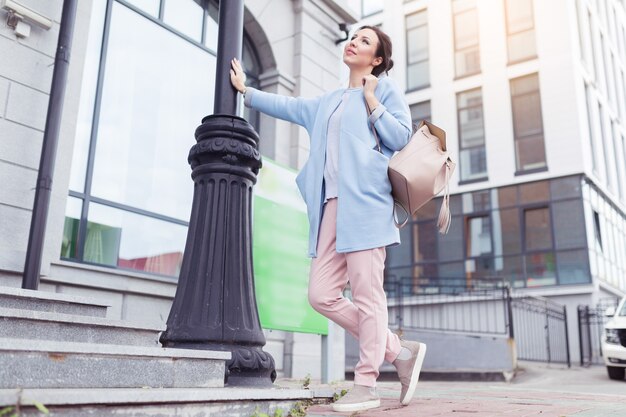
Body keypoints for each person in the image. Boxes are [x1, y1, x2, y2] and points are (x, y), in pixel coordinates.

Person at [230, 25, 426, 413]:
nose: (354, 41)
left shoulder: (384, 91)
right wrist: (246, 91)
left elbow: (402, 138)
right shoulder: (328, 101)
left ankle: (366, 383)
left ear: (378, 60)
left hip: (367, 206)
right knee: (320, 295)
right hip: (331, 208)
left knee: (369, 297)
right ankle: (398, 350)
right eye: (354, 36)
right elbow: (287, 107)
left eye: (365, 41)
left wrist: (372, 100)